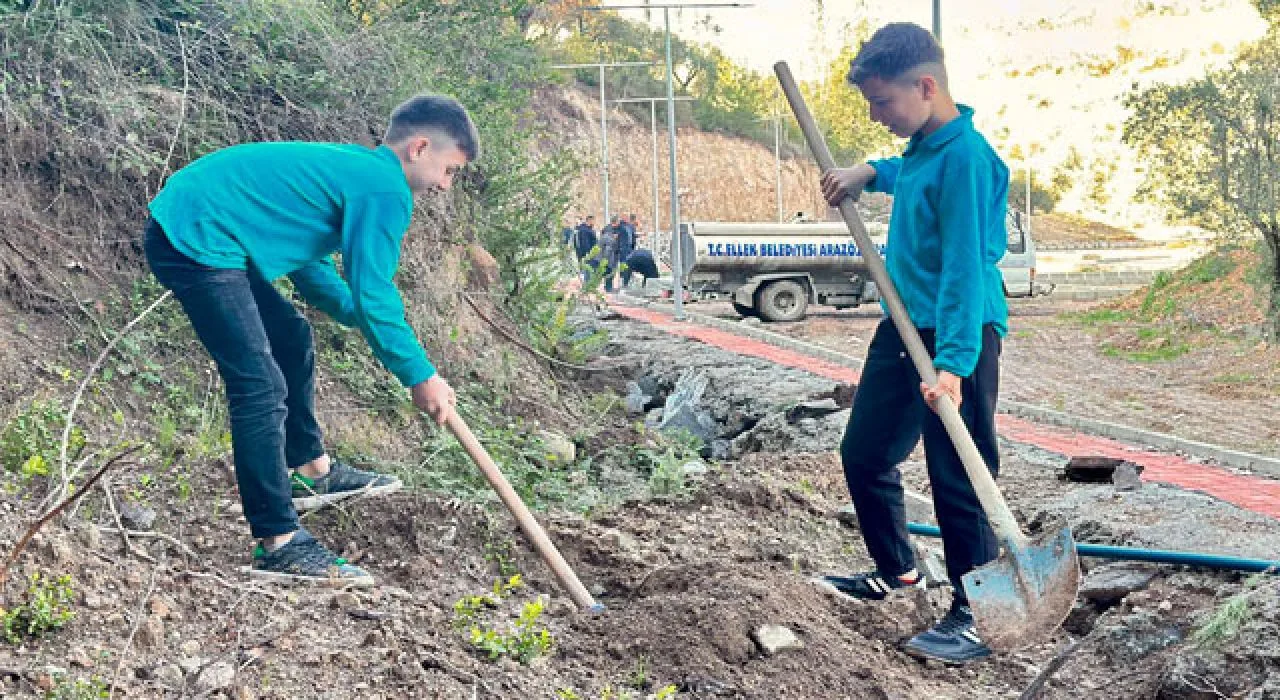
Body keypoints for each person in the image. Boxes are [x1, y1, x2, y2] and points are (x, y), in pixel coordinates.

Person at [143, 94, 479, 587]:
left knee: (291, 336)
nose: (444, 186)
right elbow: (375, 293)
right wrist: (420, 375)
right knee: (259, 384)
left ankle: (311, 471)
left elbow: (311, 264)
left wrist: (361, 317)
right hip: (197, 237)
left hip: (202, 225)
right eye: (448, 170)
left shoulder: (356, 172)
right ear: (419, 147)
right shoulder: (384, 189)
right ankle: (277, 542)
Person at [814, 22, 1010, 665]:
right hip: (904, 326)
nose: (877, 116)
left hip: (960, 331)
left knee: (958, 472)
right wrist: (869, 170)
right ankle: (898, 570)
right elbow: (909, 170)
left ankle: (976, 613)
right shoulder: (928, 147)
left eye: (883, 103)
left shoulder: (970, 160)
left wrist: (954, 366)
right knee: (865, 452)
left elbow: (963, 270)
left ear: (926, 86)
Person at [599, 215, 622, 292]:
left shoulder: (608, 228)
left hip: (610, 254)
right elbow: (608, 244)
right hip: (610, 255)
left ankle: (608, 287)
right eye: (619, 221)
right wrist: (607, 258)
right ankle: (608, 288)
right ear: (616, 222)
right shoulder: (609, 230)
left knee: (610, 271)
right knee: (610, 271)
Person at [573, 215, 597, 283]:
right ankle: (587, 284)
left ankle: (587, 283)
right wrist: (589, 254)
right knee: (587, 270)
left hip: (587, 253)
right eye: (593, 220)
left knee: (587, 270)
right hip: (587, 254)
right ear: (590, 220)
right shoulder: (584, 230)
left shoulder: (586, 228)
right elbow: (585, 244)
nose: (594, 222)